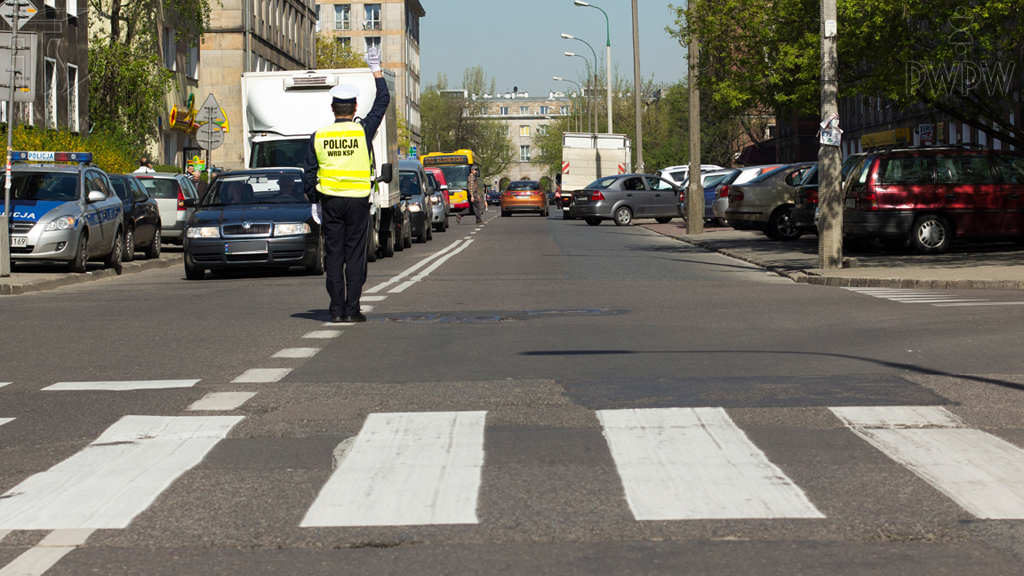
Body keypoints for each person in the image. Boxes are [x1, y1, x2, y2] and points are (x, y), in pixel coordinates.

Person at [303, 46, 390, 324]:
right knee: (354, 257)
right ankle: (352, 310)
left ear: (332, 108)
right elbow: (383, 100)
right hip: (357, 203)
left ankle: (335, 311)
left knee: (333, 256)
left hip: (329, 202)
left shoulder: (319, 135)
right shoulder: (363, 130)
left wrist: (314, 201)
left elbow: (308, 173)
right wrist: (375, 69)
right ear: (354, 108)